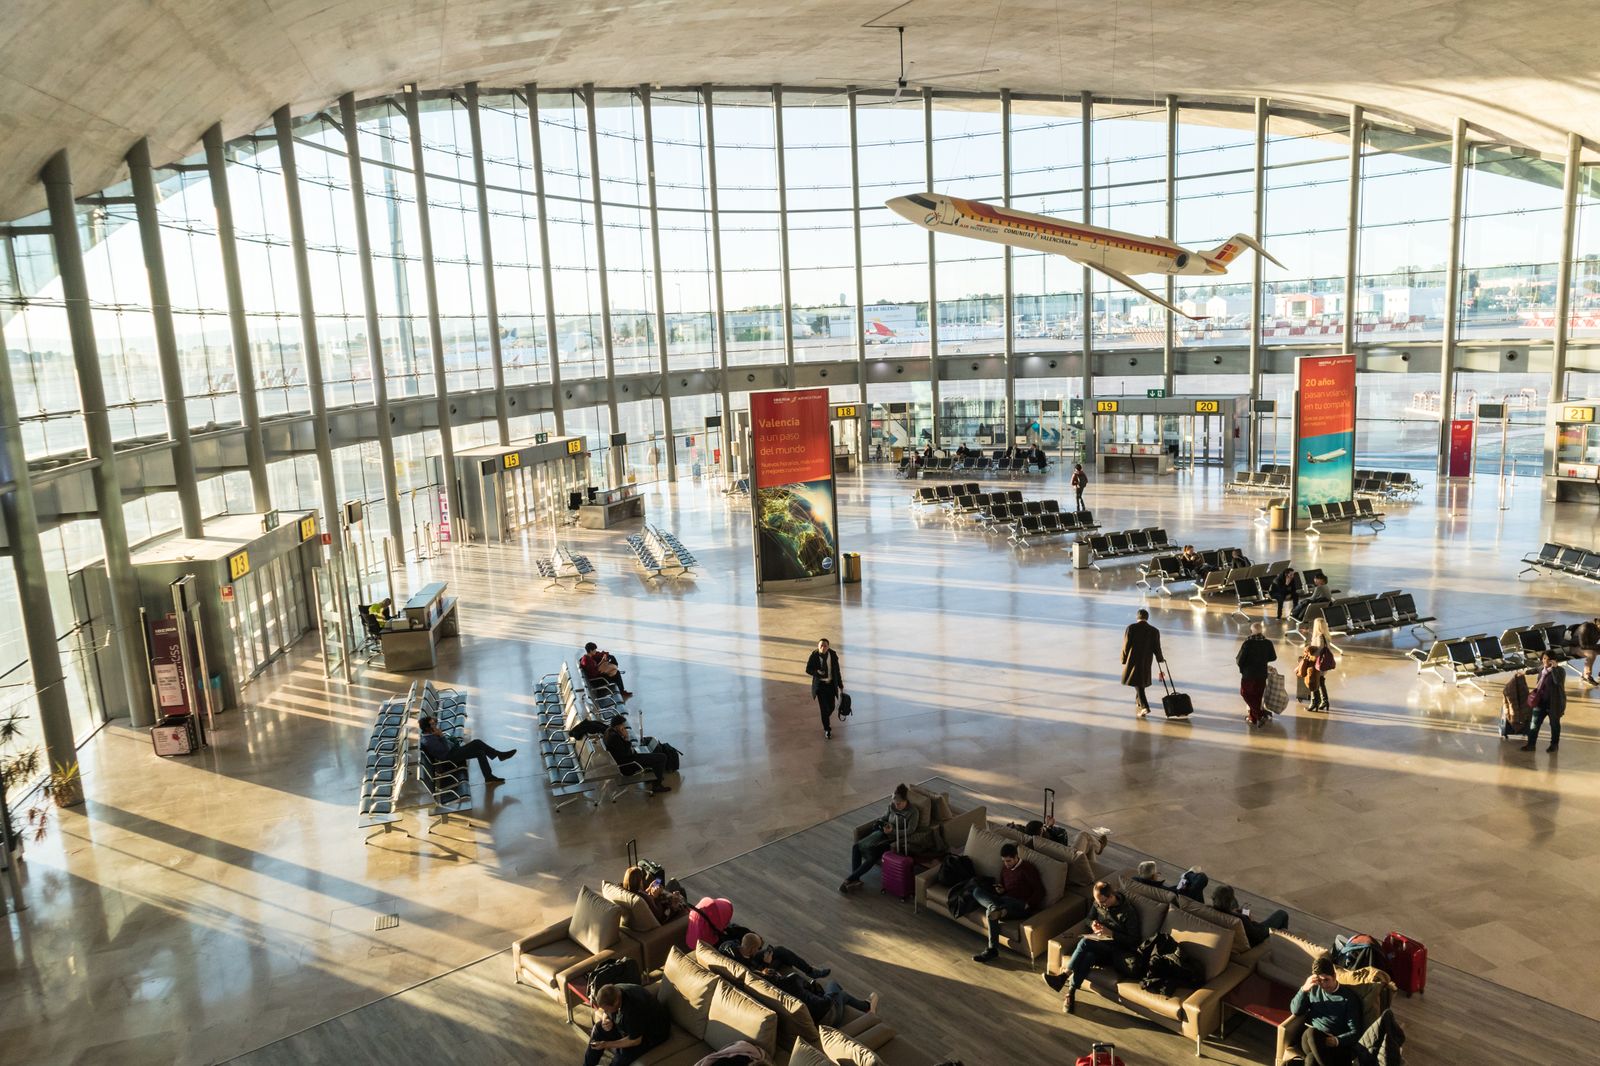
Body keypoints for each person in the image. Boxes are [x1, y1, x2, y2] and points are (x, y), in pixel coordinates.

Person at [1289, 955, 1407, 1066]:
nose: (1323, 985)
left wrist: (1335, 1041)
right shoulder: (1313, 989)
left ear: (1334, 976)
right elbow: (1295, 1011)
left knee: (1311, 1060)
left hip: (1335, 1045)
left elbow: (1355, 1032)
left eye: (1326, 980)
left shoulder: (1348, 999)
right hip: (1312, 1039)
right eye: (1319, 981)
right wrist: (1304, 989)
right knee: (1310, 1033)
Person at [1043, 881, 1139, 1013]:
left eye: (1102, 902)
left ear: (1111, 896)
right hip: (1100, 944)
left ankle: (1064, 976)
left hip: (1116, 950)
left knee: (1084, 942)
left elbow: (1134, 941)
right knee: (1088, 955)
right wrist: (1093, 924)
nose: (1099, 905)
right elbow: (1088, 919)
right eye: (1097, 902)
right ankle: (1071, 993)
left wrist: (1111, 933)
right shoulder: (1099, 902)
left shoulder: (1128, 912)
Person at [970, 843, 1045, 963]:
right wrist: (1001, 890)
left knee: (998, 906)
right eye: (1004, 861)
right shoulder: (1005, 869)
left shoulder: (1028, 869)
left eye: (1009, 861)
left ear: (1016, 857)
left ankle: (992, 949)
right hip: (1004, 901)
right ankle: (996, 909)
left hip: (1020, 906)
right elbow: (1005, 887)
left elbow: (1040, 890)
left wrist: (1028, 904)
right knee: (976, 891)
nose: (1006, 864)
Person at [841, 783, 918, 892]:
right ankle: (856, 879)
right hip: (882, 833)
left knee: (872, 856)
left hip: (892, 840)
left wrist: (893, 831)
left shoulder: (913, 812)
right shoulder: (892, 806)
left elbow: (911, 830)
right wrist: (882, 822)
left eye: (899, 803)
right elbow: (885, 817)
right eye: (895, 803)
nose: (896, 806)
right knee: (856, 847)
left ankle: (849, 879)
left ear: (906, 800)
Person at [583, 981, 671, 1066]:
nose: (605, 1011)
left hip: (651, 1034)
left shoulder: (633, 1010)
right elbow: (607, 1011)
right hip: (632, 1025)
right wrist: (606, 1018)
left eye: (607, 1009)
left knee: (622, 1056)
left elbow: (635, 1040)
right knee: (598, 1029)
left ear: (616, 1002)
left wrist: (606, 1044)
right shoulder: (615, 990)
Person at [418, 715, 515, 784]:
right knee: (477, 743)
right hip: (450, 757)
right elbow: (446, 749)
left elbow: (435, 722)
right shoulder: (429, 741)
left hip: (453, 751)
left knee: (480, 753)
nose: (435, 725)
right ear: (427, 728)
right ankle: (499, 755)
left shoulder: (429, 734)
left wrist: (436, 729)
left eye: (434, 723)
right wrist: (441, 736)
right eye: (432, 724)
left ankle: (489, 776)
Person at [603, 716, 672, 794]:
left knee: (653, 754)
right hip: (629, 765)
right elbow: (627, 753)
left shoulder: (608, 732)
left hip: (626, 760)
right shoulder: (614, 738)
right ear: (618, 726)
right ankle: (657, 786)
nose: (624, 727)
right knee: (662, 757)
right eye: (622, 725)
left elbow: (623, 751)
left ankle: (652, 778)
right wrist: (626, 737)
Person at [722, 931, 832, 980]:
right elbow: (757, 975)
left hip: (749, 958)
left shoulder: (729, 945)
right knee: (778, 960)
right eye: (758, 948)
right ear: (751, 949)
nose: (759, 950)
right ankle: (806, 973)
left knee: (779, 950)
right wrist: (766, 963)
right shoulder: (744, 965)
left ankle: (810, 971)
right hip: (756, 970)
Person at [1209, 883, 1289, 947]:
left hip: (1244, 930)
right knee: (1282, 914)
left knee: (1240, 908)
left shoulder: (1210, 910)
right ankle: (1286, 944)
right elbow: (1255, 935)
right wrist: (1250, 920)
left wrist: (1236, 912)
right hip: (1257, 935)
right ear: (1229, 902)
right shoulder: (1240, 919)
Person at [1521, 649, 1567, 753]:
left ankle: (1554, 745)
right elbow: (1535, 670)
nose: (1545, 661)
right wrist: (1524, 673)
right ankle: (1531, 745)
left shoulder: (1560, 671)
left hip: (1554, 704)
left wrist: (1554, 668)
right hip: (1540, 702)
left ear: (1554, 660)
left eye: (1549, 659)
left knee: (1554, 725)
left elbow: (1557, 681)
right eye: (1544, 658)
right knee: (1534, 724)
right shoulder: (1542, 668)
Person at [1121, 608, 1164, 718]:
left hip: (1134, 660)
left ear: (1137, 617)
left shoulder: (1131, 628)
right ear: (1147, 618)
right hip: (1147, 659)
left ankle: (1145, 707)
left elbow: (1126, 645)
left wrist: (1123, 659)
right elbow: (1157, 647)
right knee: (1140, 680)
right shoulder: (1154, 630)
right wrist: (1160, 659)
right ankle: (1139, 702)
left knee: (1137, 682)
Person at [1236, 622, 1278, 727]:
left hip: (1248, 674)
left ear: (1251, 631)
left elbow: (1239, 660)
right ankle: (1253, 718)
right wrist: (1263, 659)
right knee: (1257, 696)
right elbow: (1273, 657)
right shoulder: (1268, 643)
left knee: (1245, 693)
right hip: (1261, 674)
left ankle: (1258, 715)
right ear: (1261, 631)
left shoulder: (1248, 643)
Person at [805, 638, 844, 739]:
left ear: (828, 647)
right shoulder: (814, 655)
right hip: (821, 686)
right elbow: (808, 669)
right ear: (818, 646)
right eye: (821, 645)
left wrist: (840, 684)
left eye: (825, 645)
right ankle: (827, 729)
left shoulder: (833, 655)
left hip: (831, 685)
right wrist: (817, 672)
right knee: (823, 709)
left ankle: (825, 718)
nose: (823, 647)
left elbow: (837, 671)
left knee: (831, 707)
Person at [622, 865, 688, 923]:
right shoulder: (642, 898)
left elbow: (645, 897)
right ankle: (688, 915)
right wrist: (655, 896)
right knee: (675, 883)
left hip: (657, 901)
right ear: (639, 882)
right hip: (666, 912)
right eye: (641, 879)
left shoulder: (629, 893)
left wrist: (649, 889)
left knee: (672, 884)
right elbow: (659, 914)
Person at [1298, 617, 1335, 712]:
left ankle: (1314, 703)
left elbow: (1319, 650)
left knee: (1313, 681)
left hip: (1317, 664)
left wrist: (1310, 656)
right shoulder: (1326, 636)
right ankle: (1325, 701)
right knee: (1321, 681)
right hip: (1324, 663)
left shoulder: (1319, 637)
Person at [1577, 616, 1600, 685]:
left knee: (1591, 651)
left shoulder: (1598, 629)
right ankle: (1586, 676)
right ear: (1598, 625)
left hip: (1588, 647)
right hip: (1573, 647)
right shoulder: (1585, 627)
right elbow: (1583, 646)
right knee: (1591, 653)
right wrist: (1597, 646)